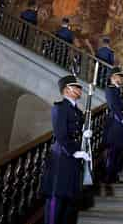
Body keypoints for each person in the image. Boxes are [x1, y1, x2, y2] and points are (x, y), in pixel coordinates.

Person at [42, 75, 90, 224]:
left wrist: (86, 132)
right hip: (62, 158)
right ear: (67, 90)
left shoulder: (78, 111)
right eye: (76, 87)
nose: (79, 90)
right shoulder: (60, 108)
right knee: (57, 199)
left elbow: (78, 131)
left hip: (73, 160)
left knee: (69, 202)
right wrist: (75, 152)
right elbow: (60, 134)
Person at [103, 67, 123, 184]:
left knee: (119, 151)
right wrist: (122, 120)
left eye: (122, 77)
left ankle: (114, 175)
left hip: (119, 124)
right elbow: (113, 107)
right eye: (120, 77)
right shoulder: (110, 89)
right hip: (115, 124)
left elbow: (119, 104)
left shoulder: (117, 90)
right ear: (113, 78)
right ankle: (108, 176)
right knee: (113, 152)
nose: (122, 79)